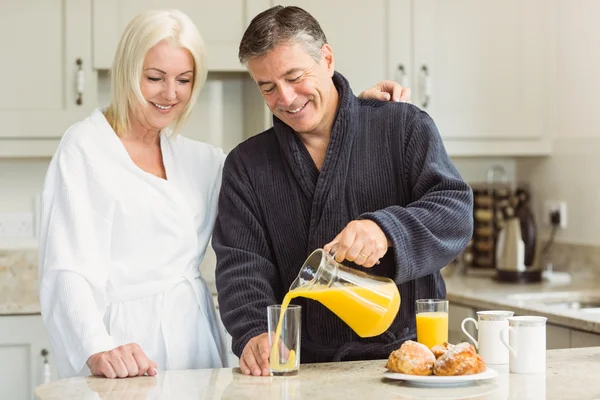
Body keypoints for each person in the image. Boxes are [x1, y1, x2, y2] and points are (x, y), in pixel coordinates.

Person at [38, 9, 410, 379]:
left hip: (196, 345)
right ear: (127, 73)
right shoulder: (86, 147)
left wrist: (355, 117)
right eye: (154, 78)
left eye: (183, 80)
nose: (170, 93)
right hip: (121, 345)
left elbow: (281, 172)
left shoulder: (198, 160)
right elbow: (65, 267)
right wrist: (95, 346)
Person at [212, 5, 474, 377]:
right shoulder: (247, 165)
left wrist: (387, 231)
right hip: (304, 370)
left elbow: (455, 212)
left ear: (327, 58)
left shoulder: (401, 126)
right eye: (267, 87)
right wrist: (254, 331)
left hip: (411, 365)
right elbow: (241, 263)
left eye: (294, 76)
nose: (285, 98)